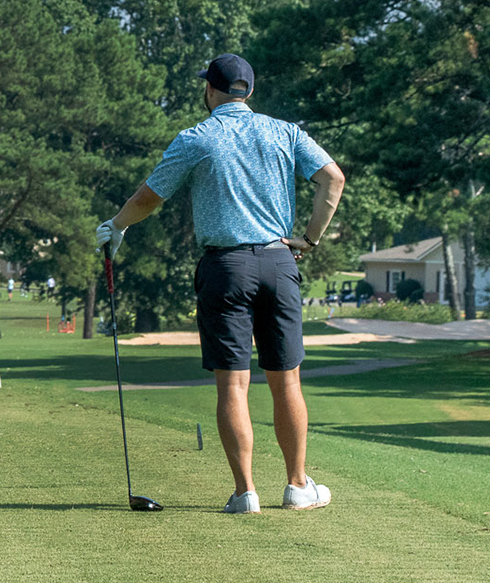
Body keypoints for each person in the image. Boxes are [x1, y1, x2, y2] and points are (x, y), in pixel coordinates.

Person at [96, 54, 346, 514]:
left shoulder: (197, 137)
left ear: (210, 89)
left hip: (225, 268)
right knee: (286, 380)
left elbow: (148, 198)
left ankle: (245, 493)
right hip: (278, 263)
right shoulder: (286, 132)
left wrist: (117, 226)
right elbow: (333, 179)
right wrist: (309, 239)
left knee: (233, 385)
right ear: (248, 91)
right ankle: (297, 486)